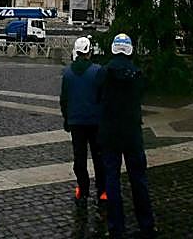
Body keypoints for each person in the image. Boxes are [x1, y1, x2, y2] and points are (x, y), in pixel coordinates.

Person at [96, 33, 155, 238]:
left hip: (110, 133)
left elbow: (97, 96)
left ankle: (116, 227)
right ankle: (147, 224)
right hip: (132, 133)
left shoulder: (103, 73)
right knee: (138, 179)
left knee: (112, 180)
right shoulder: (137, 74)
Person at [60, 35, 104, 202]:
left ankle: (83, 189)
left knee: (79, 157)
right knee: (98, 156)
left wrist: (66, 118)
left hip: (75, 121)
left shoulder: (67, 73)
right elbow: (103, 96)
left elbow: (64, 99)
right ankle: (102, 189)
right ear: (89, 52)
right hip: (95, 121)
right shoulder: (98, 71)